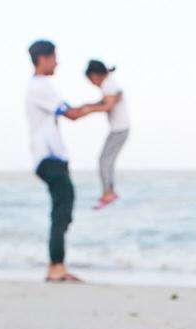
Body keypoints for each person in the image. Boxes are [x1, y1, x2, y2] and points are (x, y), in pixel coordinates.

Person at [25, 40, 94, 282]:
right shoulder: (40, 86)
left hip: (48, 158)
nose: (57, 62)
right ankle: (56, 268)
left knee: (63, 209)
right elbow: (71, 114)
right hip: (49, 158)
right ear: (43, 59)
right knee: (61, 210)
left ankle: (56, 265)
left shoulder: (39, 86)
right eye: (54, 57)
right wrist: (102, 106)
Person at [84, 59, 130, 210]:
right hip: (119, 129)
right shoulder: (110, 83)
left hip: (120, 129)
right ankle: (108, 192)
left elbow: (108, 105)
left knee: (104, 161)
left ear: (95, 75)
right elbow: (108, 102)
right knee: (106, 161)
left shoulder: (108, 84)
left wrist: (86, 109)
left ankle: (108, 194)